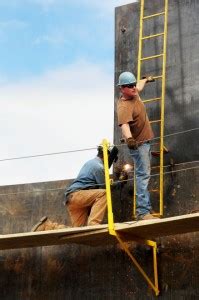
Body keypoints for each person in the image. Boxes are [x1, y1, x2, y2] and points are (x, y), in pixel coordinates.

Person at [32, 145, 118, 231]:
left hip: (72, 199)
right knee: (104, 193)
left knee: (78, 230)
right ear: (106, 156)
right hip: (77, 195)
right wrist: (120, 182)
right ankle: (93, 224)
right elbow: (104, 185)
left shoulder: (91, 162)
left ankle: (47, 226)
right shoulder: (98, 166)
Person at [117, 71, 157, 220]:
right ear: (122, 88)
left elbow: (139, 87)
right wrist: (129, 139)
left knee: (144, 175)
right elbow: (124, 125)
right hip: (138, 146)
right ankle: (143, 212)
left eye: (133, 84)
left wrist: (145, 80)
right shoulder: (124, 106)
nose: (133, 87)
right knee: (142, 176)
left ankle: (145, 208)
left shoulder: (134, 93)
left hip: (145, 143)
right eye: (129, 86)